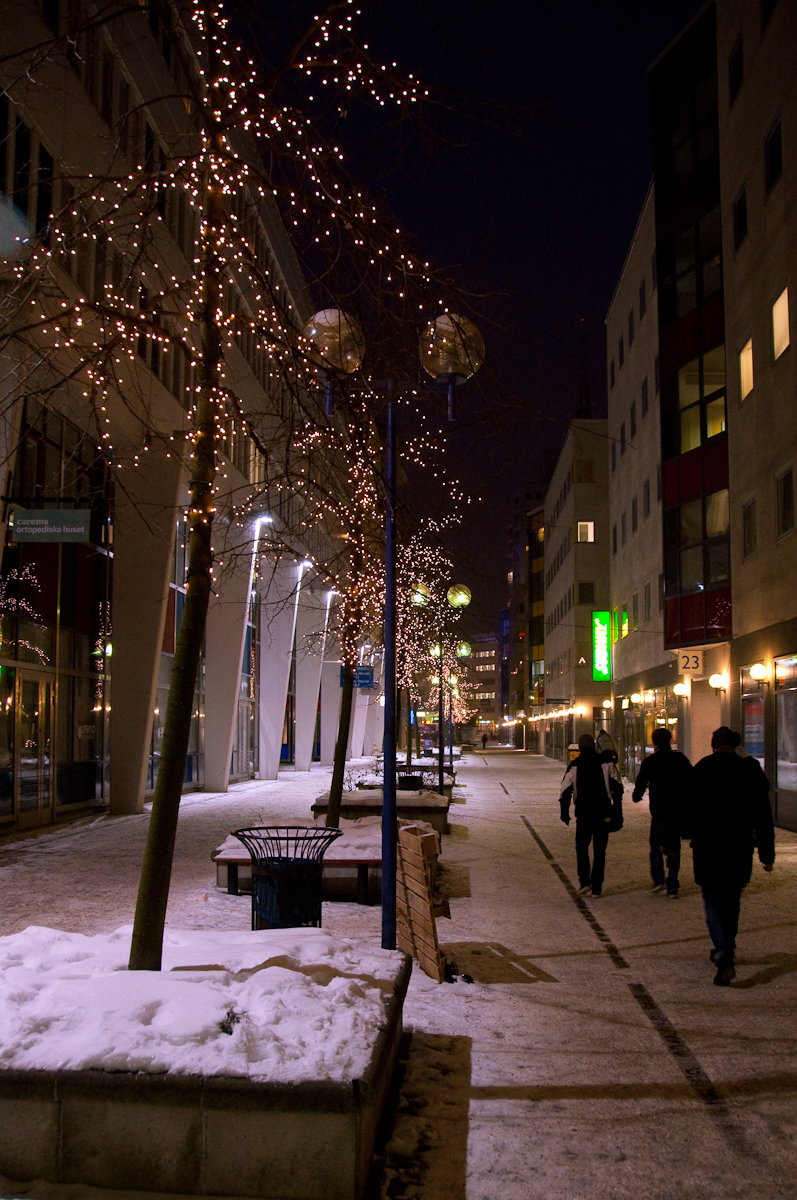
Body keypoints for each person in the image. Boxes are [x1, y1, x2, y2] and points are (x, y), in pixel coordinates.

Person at [685, 726, 775, 986]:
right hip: (739, 845)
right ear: (736, 746)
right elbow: (763, 813)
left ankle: (723, 949)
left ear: (713, 745)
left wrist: (677, 837)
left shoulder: (703, 768)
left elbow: (683, 804)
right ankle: (727, 945)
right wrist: (766, 852)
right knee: (732, 900)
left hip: (708, 847)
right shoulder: (748, 770)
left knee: (712, 900)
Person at [632, 727, 693, 897]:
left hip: (659, 810)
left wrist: (637, 796)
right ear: (670, 741)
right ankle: (672, 883)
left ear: (654, 742)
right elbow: (692, 779)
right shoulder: (680, 759)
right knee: (674, 846)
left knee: (655, 845)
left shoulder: (651, 761)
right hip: (676, 810)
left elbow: (641, 782)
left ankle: (659, 879)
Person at [559, 732, 621, 897]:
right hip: (603, 813)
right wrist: (617, 811)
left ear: (579, 748)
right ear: (594, 746)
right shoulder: (606, 763)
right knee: (600, 850)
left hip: (584, 814)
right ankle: (597, 887)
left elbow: (565, 791)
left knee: (582, 847)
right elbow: (618, 788)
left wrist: (564, 812)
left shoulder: (575, 765)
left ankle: (584, 881)